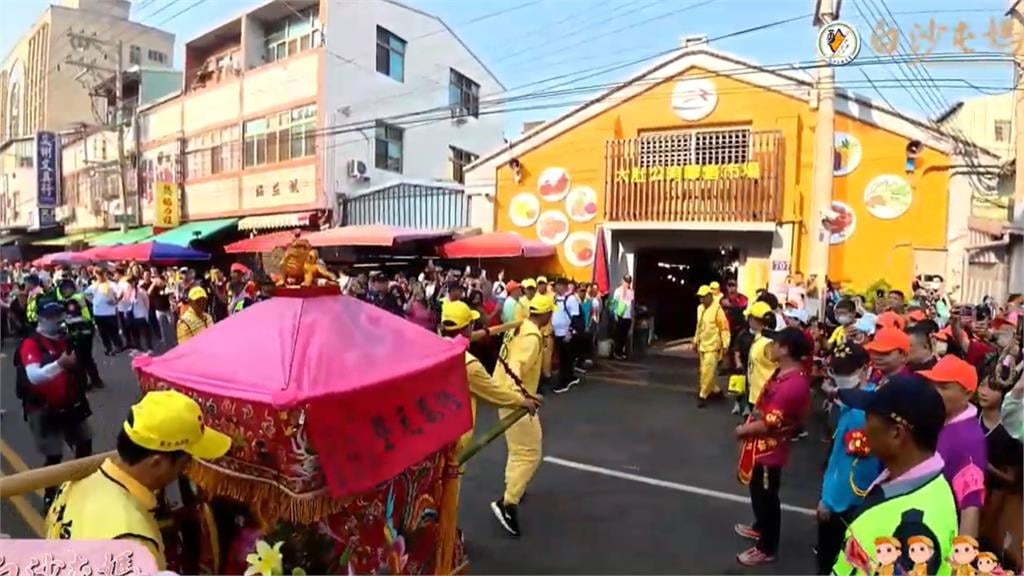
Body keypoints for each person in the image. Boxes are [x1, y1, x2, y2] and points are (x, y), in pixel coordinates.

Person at [45, 390, 232, 570]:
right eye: (185, 463)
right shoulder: (132, 540)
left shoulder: (73, 484)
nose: (184, 471)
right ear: (156, 463)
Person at [831, 374, 958, 576]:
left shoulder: (914, 530)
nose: (864, 428)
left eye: (868, 417)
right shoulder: (911, 486)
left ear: (896, 433)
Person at [734, 327, 813, 565]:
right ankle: (760, 527)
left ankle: (767, 547)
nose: (772, 346)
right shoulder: (783, 373)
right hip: (761, 446)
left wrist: (742, 431)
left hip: (771, 449)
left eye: (776, 343)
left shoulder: (792, 384)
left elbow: (771, 423)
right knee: (757, 490)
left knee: (767, 496)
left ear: (786, 349)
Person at [15, 298, 93, 506]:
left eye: (58, 314)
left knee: (85, 443)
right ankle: (50, 494)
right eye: (50, 316)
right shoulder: (31, 343)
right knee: (54, 455)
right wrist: (60, 364)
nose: (56, 320)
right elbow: (34, 376)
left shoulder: (66, 338)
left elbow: (82, 362)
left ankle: (80, 485)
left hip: (71, 403)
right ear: (40, 318)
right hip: (44, 408)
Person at [439, 300, 540, 456]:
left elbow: (465, 337)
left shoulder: (434, 346)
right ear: (469, 327)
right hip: (454, 438)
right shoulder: (468, 364)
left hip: (434, 431)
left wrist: (490, 331)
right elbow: (495, 393)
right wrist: (523, 401)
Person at [491, 294, 553, 538]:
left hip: (503, 393)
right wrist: (522, 399)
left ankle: (514, 487)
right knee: (530, 452)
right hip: (514, 398)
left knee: (519, 450)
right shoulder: (532, 336)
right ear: (546, 314)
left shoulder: (520, 326)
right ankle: (508, 503)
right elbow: (516, 366)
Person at [816, 343, 881, 574]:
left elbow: (850, 469)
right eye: (837, 371)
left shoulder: (860, 414)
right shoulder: (857, 400)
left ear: (865, 369)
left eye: (847, 371)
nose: (841, 378)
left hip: (846, 504)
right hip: (851, 499)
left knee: (832, 561)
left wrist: (829, 501)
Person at [917, 355, 987, 538]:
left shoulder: (967, 439)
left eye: (944, 387)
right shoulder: (937, 420)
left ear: (968, 393)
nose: (935, 392)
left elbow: (970, 505)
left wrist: (962, 561)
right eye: (933, 385)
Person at [56, 278, 103, 390]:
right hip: (88, 330)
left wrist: (64, 324)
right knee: (88, 358)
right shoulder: (81, 297)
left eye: (64, 289)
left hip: (79, 332)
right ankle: (96, 381)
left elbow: (73, 319)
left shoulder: (72, 301)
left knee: (79, 359)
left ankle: (84, 384)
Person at [695, 284, 731, 408]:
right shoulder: (700, 308)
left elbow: (724, 328)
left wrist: (726, 344)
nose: (701, 299)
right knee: (704, 371)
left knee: (707, 371)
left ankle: (702, 395)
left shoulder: (717, 309)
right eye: (700, 297)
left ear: (709, 296)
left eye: (703, 297)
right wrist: (695, 341)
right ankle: (716, 391)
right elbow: (698, 326)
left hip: (713, 346)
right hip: (702, 345)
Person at [552, 278, 583, 394]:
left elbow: (575, 317)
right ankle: (570, 377)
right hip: (557, 332)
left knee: (565, 359)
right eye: (556, 285)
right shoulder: (555, 298)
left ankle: (563, 381)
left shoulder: (571, 299)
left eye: (559, 285)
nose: (557, 287)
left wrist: (570, 332)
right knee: (564, 357)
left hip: (566, 334)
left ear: (565, 286)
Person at [85, 268, 123, 356]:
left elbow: (121, 292)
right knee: (103, 333)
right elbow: (85, 293)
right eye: (97, 275)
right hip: (98, 313)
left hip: (109, 312)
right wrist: (93, 301)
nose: (99, 276)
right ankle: (108, 348)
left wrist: (116, 301)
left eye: (100, 274)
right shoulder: (94, 285)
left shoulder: (111, 284)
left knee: (113, 331)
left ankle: (118, 346)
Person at [610, 275, 634, 360]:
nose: (627, 283)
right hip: (620, 316)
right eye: (626, 281)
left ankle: (620, 352)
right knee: (618, 336)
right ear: (622, 281)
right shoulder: (618, 291)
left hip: (627, 317)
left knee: (624, 336)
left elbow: (630, 305)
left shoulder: (630, 291)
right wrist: (615, 315)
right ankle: (616, 352)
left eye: (628, 282)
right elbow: (613, 304)